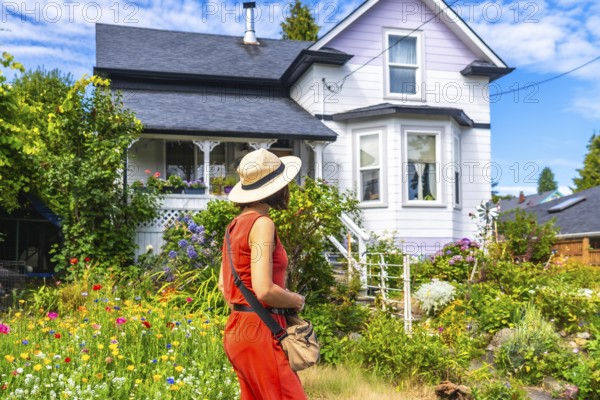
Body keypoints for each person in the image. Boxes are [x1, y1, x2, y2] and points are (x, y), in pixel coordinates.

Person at [219, 148, 308, 400]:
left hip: (238, 328)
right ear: (278, 187)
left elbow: (224, 287)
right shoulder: (262, 224)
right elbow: (264, 289)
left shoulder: (233, 226)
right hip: (261, 330)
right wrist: (296, 300)